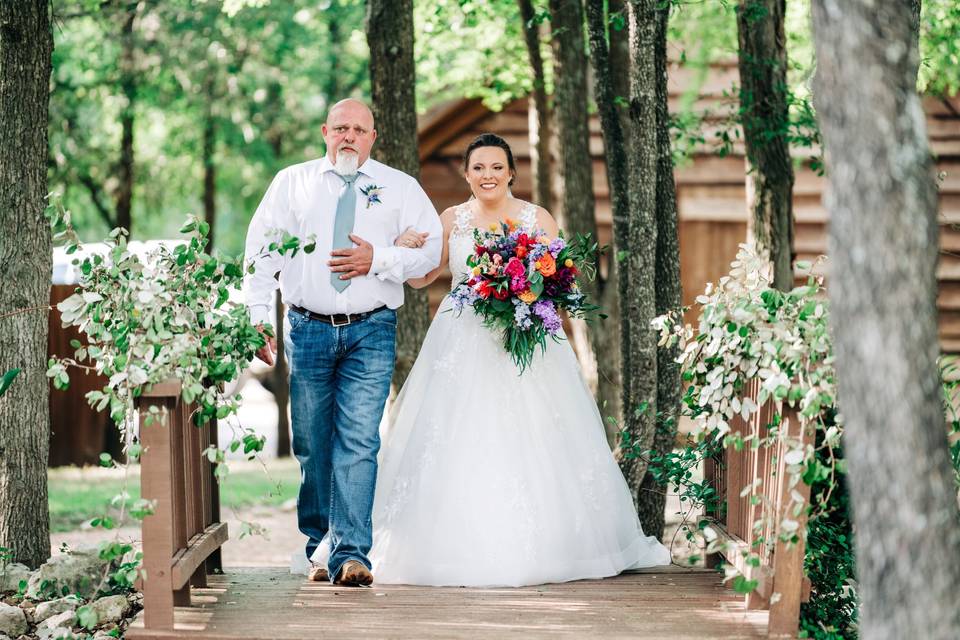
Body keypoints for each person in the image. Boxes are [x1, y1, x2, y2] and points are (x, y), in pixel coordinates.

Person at [340, 132, 672, 586]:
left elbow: (558, 286)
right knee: (456, 435)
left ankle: (554, 545)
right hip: (460, 339)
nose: (488, 175)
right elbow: (423, 279)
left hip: (527, 342)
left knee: (536, 435)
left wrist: (527, 295)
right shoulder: (451, 219)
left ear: (512, 171)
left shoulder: (538, 219)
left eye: (496, 167)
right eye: (478, 168)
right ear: (467, 173)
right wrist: (406, 245)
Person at [243, 98, 442, 586]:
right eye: (341, 128)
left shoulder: (400, 188)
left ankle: (352, 554)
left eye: (359, 129)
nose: (349, 136)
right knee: (312, 444)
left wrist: (380, 258)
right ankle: (318, 545)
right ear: (324, 133)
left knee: (357, 440)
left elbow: (432, 249)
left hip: (371, 328)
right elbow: (260, 250)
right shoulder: (292, 183)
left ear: (373, 137)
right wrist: (256, 317)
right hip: (307, 327)